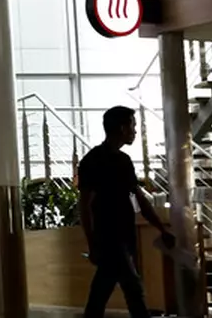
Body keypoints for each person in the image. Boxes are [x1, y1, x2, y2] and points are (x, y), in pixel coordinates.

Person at [79, 106, 174, 318]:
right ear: (122, 128)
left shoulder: (124, 161)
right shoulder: (92, 161)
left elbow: (138, 197)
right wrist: (92, 243)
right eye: (133, 125)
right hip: (109, 239)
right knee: (134, 289)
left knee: (101, 291)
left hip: (124, 236)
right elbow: (85, 205)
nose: (135, 131)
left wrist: (160, 227)